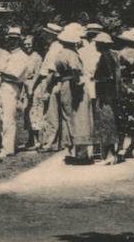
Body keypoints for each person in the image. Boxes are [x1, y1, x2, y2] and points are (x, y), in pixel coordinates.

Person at [44, 24, 91, 163]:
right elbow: (75, 70)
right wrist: (78, 82)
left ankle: (70, 150)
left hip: (64, 85)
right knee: (79, 118)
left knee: (67, 118)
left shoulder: (60, 53)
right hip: (72, 86)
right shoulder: (71, 54)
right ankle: (80, 154)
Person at [0, 26, 29, 157]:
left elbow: (15, 75)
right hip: (4, 87)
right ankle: (9, 144)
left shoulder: (21, 56)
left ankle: (7, 148)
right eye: (10, 39)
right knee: (3, 118)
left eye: (14, 39)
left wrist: (0, 72)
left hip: (11, 87)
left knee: (8, 118)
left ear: (19, 40)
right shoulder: (10, 55)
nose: (11, 42)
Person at [92, 32, 122, 165]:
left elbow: (108, 77)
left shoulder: (105, 57)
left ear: (102, 44)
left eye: (97, 43)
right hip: (113, 95)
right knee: (112, 123)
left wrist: (96, 80)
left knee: (106, 124)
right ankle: (111, 153)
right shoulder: (114, 55)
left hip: (106, 95)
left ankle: (110, 154)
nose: (95, 45)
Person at [33, 23, 63, 152]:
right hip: (54, 81)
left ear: (52, 36)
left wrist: (46, 90)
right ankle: (55, 142)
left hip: (50, 82)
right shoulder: (56, 47)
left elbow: (51, 72)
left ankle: (50, 142)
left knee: (51, 115)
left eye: (47, 34)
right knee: (53, 114)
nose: (44, 36)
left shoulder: (54, 49)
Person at [116, 30, 134, 159]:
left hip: (124, 85)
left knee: (123, 114)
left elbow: (118, 71)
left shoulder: (120, 54)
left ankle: (121, 147)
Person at [77, 23, 102, 160]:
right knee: (97, 119)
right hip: (97, 87)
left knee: (84, 119)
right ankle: (98, 149)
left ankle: (82, 151)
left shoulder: (81, 52)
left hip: (83, 87)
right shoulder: (102, 52)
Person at [21, 34, 43, 149]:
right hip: (25, 86)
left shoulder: (37, 57)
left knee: (35, 112)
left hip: (34, 87)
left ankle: (37, 140)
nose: (27, 46)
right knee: (27, 112)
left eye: (29, 44)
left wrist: (31, 87)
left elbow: (38, 74)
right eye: (25, 44)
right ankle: (30, 139)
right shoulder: (25, 57)